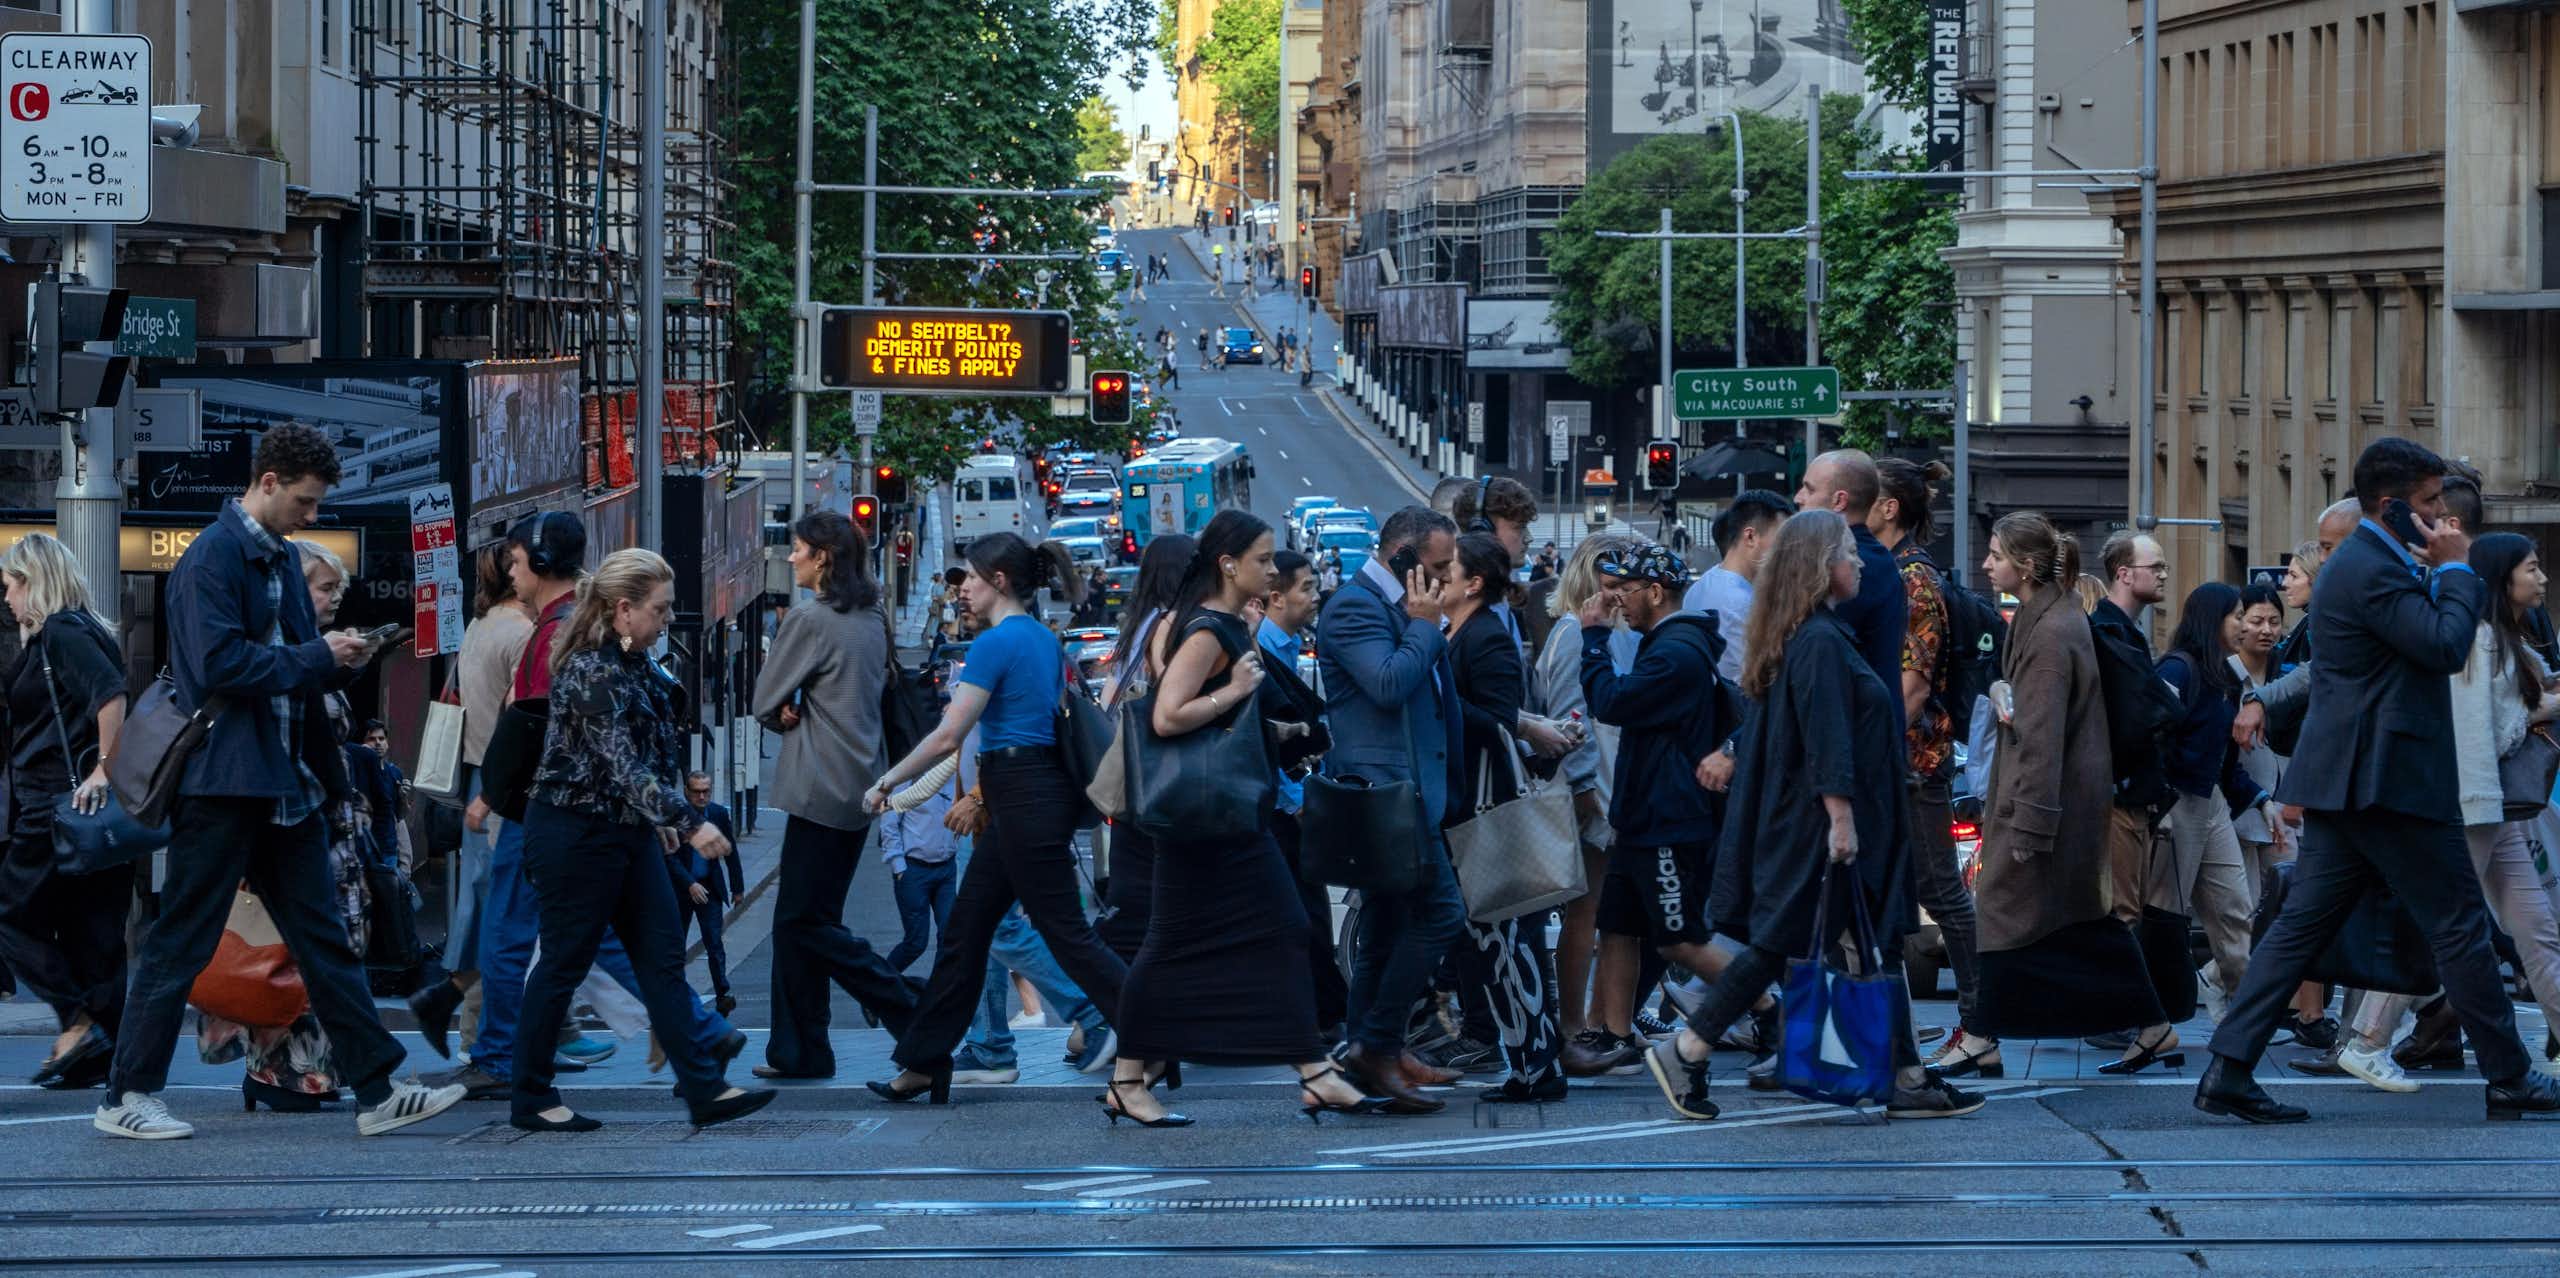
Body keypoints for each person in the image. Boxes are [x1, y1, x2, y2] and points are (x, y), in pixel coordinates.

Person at [96, 423, 462, 1141]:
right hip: (224, 782)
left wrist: (340, 660)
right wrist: (319, 657)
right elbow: (219, 666)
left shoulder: (283, 562)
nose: (311, 515)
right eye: (304, 501)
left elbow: (292, 666)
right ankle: (125, 1094)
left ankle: (378, 1089)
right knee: (183, 939)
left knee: (322, 939)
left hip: (283, 783)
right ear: (267, 484)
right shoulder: (211, 559)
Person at [2196, 437, 2560, 1124]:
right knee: (2459, 926)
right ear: (2391, 505)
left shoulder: (2373, 561)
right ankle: (2510, 1076)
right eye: (2428, 502)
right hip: (2388, 778)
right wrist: (2459, 568)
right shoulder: (2371, 567)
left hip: (2358, 776)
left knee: (2301, 929)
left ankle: (2229, 1068)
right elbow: (2445, 645)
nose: (2441, 515)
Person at [1642, 510, 1975, 1122]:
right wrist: (1841, 820)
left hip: (1829, 819)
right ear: (1822, 567)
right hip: (1823, 825)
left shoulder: (1816, 633)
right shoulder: (1820, 640)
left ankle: (1906, 1078)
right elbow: (1827, 735)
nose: (1858, 562)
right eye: (1847, 552)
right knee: (1783, 942)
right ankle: (1687, 1048)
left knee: (1874, 942)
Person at [1105, 511, 1381, 1126]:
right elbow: (1167, 717)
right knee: (1197, 939)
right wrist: (1234, 690)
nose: (1272, 569)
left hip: (1215, 817)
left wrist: (1265, 725)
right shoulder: (1210, 629)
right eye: (1262, 559)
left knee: (1269, 929)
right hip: (1206, 820)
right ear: (1228, 565)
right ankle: (1134, 1078)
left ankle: (1312, 1071)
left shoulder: (1214, 623)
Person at [506, 549, 772, 1132]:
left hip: (626, 832)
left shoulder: (634, 662)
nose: (667, 619)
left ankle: (704, 1089)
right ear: (623, 610)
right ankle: (530, 1097)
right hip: (575, 834)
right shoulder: (589, 669)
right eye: (661, 609)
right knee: (563, 963)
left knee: (662, 959)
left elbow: (647, 756)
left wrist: (661, 821)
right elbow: (622, 765)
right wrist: (689, 821)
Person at [862, 534, 1127, 1105]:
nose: (963, 590)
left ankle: (1140, 1028)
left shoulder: (994, 644)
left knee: (1064, 930)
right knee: (964, 933)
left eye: (972, 579)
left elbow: (949, 735)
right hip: (1026, 794)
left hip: (1022, 794)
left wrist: (888, 782)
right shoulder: (1043, 639)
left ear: (999, 581)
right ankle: (925, 1059)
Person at [2322, 533, 2560, 1090]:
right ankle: (2366, 1039)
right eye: (2532, 568)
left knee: (2537, 928)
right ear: (2503, 577)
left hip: (2495, 807)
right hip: (2471, 803)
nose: (2543, 578)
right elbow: (2482, 732)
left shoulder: (2505, 638)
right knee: (2446, 930)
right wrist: (2544, 708)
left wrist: (2543, 701)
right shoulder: (2479, 640)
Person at [194, 537, 402, 1113]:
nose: (334, 598)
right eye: (324, 587)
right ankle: (282, 1072)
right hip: (293, 821)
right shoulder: (281, 655)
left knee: (317, 951)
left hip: (324, 821)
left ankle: (316, 1071)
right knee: (285, 953)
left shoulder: (310, 657)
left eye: (338, 589)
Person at [1965, 513, 2169, 1068]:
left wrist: (2030, 823)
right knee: (2078, 920)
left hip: (2045, 807)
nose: (1986, 564)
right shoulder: (2046, 617)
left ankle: (1981, 1038)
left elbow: (2041, 737)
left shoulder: (2052, 631)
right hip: (2058, 804)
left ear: (2027, 566)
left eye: (1996, 555)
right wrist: (2000, 684)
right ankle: (2152, 1025)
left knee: (2006, 911)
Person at [1575, 538, 1767, 1080]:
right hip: (1641, 816)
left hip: (1668, 819)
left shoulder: (1677, 651)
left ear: (1656, 592)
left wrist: (1593, 639)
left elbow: (1611, 702)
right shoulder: (1669, 644)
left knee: (1680, 939)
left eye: (1623, 589)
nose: (1614, 600)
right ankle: (1613, 1036)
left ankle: (1770, 1010)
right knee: (1617, 927)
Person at [753, 509, 920, 1078]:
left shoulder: (810, 619)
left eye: (798, 548)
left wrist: (784, 709)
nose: (791, 557)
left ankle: (907, 1004)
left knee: (802, 924)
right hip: (861, 784)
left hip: (818, 784)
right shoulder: (874, 615)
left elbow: (763, 698)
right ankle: (801, 1051)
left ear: (822, 558)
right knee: (806, 920)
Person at [1316, 506, 1470, 1113]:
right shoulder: (1355, 608)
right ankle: (1377, 1045)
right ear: (1403, 557)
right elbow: (1387, 684)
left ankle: (1370, 1048)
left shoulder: (1401, 608)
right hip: (1386, 797)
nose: (1447, 575)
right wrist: (1426, 626)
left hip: (1414, 793)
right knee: (1442, 914)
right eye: (1438, 564)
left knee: (1385, 926)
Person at [1866, 461, 1988, 1076]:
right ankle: (1895, 1034)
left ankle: (1981, 1026)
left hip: (1914, 762)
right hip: (1904, 760)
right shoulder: (1891, 569)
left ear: (1889, 508)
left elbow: (1912, 687)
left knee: (1942, 892)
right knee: (1896, 894)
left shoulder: (1914, 578)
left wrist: (1872, 749)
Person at [0, 533, 131, 1094]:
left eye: (10, 586)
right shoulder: (83, 629)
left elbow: (111, 696)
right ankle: (98, 1056)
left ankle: (77, 1024)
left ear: (33, 581)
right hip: (84, 810)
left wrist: (105, 767)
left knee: (8, 914)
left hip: (56, 805)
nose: (7, 599)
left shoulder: (61, 632)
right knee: (91, 931)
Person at [1441, 532, 1565, 1102]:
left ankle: (1538, 1068)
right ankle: (1528, 1066)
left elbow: (1495, 718)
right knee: (1496, 941)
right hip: (1473, 803)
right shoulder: (1459, 630)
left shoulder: (1486, 634)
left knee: (1512, 940)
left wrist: (1436, 693)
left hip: (1489, 807)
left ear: (1473, 583)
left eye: (1447, 569)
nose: (1435, 576)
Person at [409, 545, 535, 1060]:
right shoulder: (523, 633)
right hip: (506, 782)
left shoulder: (479, 627)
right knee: (501, 910)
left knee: (486, 904)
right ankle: (483, 1032)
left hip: (480, 773)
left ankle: (476, 1024)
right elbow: (523, 715)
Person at [1538, 535, 1642, 1076]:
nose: (1623, 592)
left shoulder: (1601, 632)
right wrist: (1584, 792)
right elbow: (1569, 720)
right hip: (1590, 790)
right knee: (1587, 910)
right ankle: (1573, 1025)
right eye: (1613, 582)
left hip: (1606, 785)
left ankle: (1600, 1022)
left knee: (1604, 910)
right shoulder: (1574, 634)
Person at [2155, 583, 2280, 1032]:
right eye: (2238, 616)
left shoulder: (2223, 679)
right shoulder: (2178, 669)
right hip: (2176, 804)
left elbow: (2225, 762)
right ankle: (2148, 1019)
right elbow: (2152, 736)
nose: (2244, 625)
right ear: (2213, 620)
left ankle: (2244, 1020)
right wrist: (2159, 803)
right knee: (2165, 914)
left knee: (2236, 910)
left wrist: (2260, 800)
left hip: (2212, 802)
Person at [1096, 534, 1199, 963]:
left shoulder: (1140, 626)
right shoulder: (1172, 628)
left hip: (1132, 782)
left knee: (1138, 903)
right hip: (1159, 782)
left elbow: (1107, 703)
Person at [1258, 548, 1347, 1035]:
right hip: (1277, 808)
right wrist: (1295, 803)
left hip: (1294, 800)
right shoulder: (1261, 649)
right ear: (1275, 598)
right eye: (1307, 588)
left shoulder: (1288, 646)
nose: (1316, 597)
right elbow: (1265, 740)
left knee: (1306, 909)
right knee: (1301, 912)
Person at [1689, 490, 1793, 795]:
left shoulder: (1704, 583)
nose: (1786, 551)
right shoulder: (1741, 602)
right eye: (1781, 539)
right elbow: (1755, 684)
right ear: (1750, 536)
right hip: (1733, 737)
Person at [674, 772, 742, 1016]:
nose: (702, 797)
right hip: (681, 889)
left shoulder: (718, 814)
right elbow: (669, 856)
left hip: (710, 887)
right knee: (676, 943)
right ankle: (675, 993)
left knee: (714, 942)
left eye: (706, 791)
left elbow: (730, 851)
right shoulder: (675, 815)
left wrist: (737, 887)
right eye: (696, 792)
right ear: (687, 792)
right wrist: (689, 883)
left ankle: (722, 994)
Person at [880, 766, 958, 974]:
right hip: (914, 871)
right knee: (916, 942)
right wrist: (898, 867)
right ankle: (876, 984)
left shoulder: (958, 777)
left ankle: (939, 990)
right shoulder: (908, 777)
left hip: (948, 870)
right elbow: (888, 824)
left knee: (950, 937)